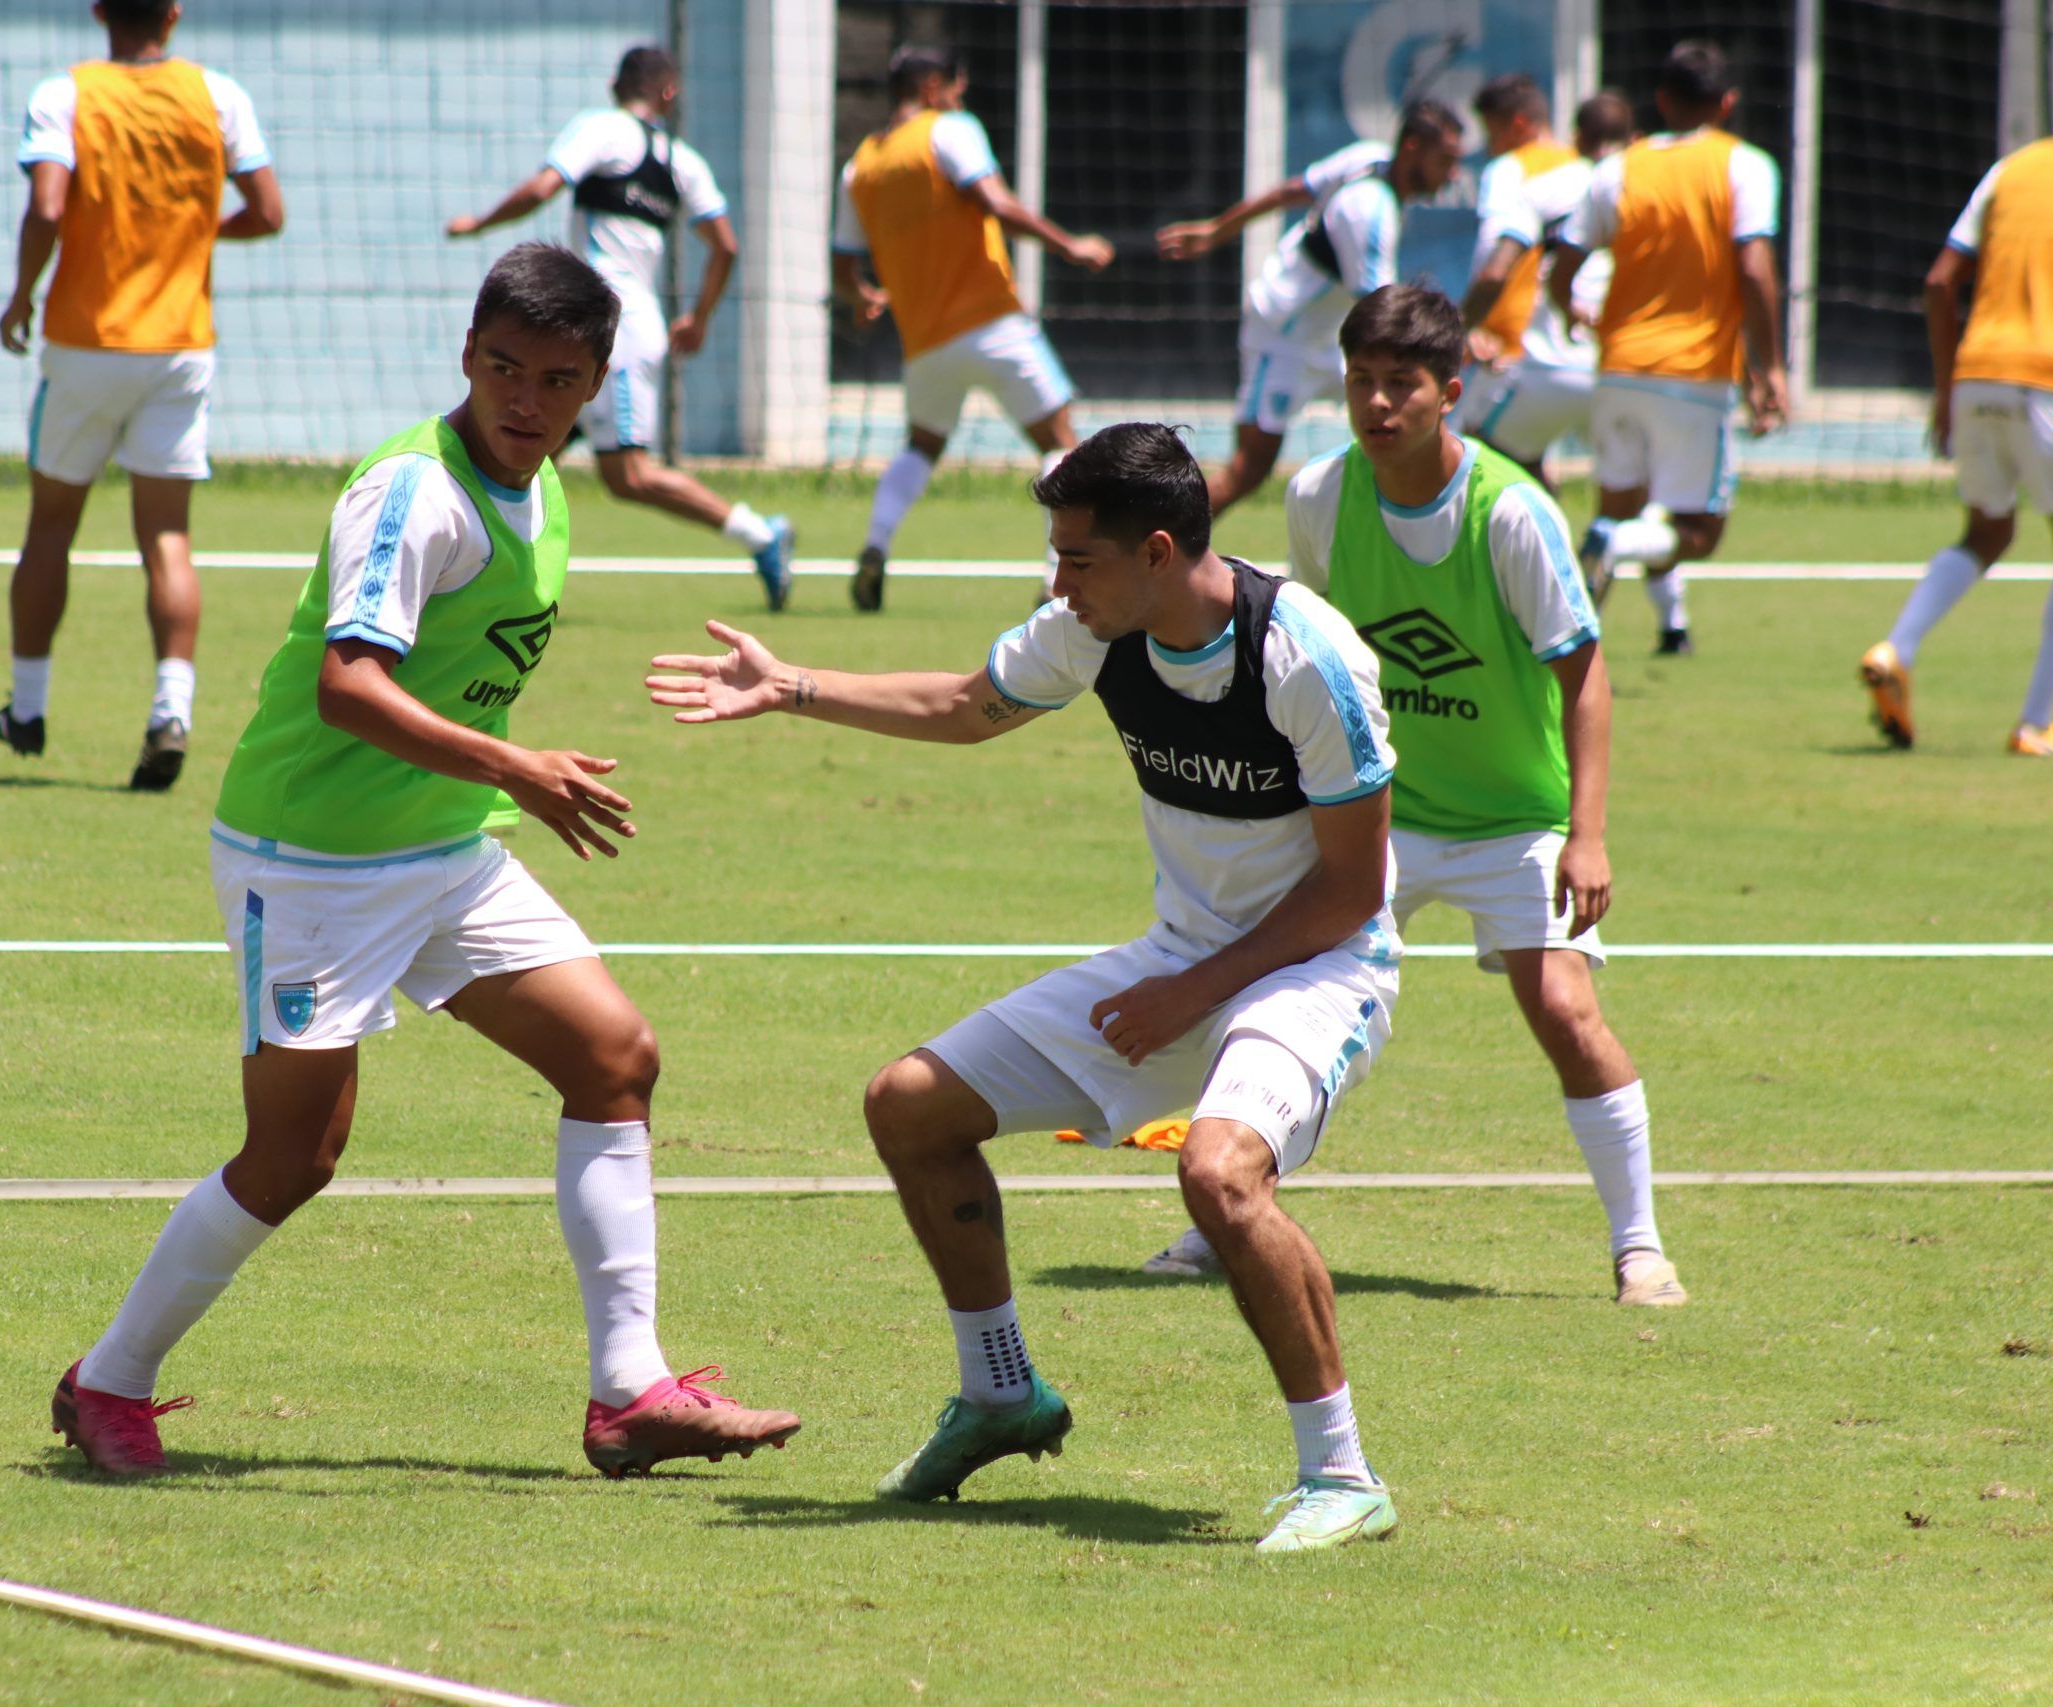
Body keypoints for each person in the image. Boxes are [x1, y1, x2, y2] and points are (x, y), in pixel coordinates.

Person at [51, 245, 801, 1481]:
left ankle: (630, 1393)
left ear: (596, 385)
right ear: (466, 353)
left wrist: (490, 783)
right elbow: (350, 687)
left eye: (557, 379)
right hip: (311, 860)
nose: (524, 399)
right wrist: (513, 768)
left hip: (443, 844)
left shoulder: (544, 489)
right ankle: (106, 1383)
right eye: (502, 367)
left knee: (614, 1055)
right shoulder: (413, 495)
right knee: (296, 1158)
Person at [648, 422, 1405, 1552]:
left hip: (1316, 969)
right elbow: (962, 706)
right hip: (1183, 960)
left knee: (1219, 1175)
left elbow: (1349, 891)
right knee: (910, 1105)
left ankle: (1341, 1476)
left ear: (1156, 552)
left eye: (1075, 559)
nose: (1057, 583)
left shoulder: (1309, 658)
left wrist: (1190, 991)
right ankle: (1001, 1394)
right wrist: (793, 686)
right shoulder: (1095, 632)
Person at [1145, 286, 1686, 1308]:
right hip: (1379, 817)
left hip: (1517, 821)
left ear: (1452, 391)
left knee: (1565, 1009)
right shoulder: (1318, 498)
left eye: (1402, 384)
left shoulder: (1510, 512)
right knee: (1277, 994)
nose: (1378, 403)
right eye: (1360, 382)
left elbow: (1586, 676)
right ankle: (1216, 1215)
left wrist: (1587, 834)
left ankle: (1640, 1251)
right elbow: (1305, 656)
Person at [0, 0, 284, 791]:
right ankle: (170, 710)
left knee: (51, 524)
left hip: (87, 343)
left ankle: (27, 707)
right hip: (180, 347)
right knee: (168, 538)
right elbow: (270, 211)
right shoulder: (220, 96)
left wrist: (21, 295)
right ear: (175, 14)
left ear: (97, 11)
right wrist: (191, 232)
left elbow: (48, 205)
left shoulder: (66, 94)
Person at [447, 46, 795, 612]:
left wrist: (478, 223)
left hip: (613, 333)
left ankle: (762, 534)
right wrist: (700, 318)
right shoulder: (684, 160)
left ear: (615, 85)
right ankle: (492, 579)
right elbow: (725, 245)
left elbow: (542, 188)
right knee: (524, 453)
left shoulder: (600, 128)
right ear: (669, 93)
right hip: (603, 329)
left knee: (628, 475)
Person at [831, 45, 1115, 612]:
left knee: (921, 446)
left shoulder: (859, 165)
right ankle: (1051, 578)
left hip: (924, 342)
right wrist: (1069, 245)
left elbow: (843, 262)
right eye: (956, 91)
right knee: (1061, 441)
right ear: (934, 88)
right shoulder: (950, 130)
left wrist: (862, 296)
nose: (959, 100)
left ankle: (874, 547)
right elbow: (996, 203)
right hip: (993, 321)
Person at [1549, 40, 1787, 653]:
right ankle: (1621, 547)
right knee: (1700, 529)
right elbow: (1756, 270)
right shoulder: (1745, 165)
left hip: (1620, 368)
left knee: (1620, 508)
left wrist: (1569, 309)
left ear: (1660, 100)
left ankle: (1565, 648)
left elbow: (1562, 265)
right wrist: (1773, 368)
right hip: (1695, 375)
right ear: (1727, 103)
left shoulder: (1618, 169)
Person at [1161, 102, 1465, 517]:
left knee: (1401, 426)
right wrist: (1451, 345)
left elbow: (1291, 190)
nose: (1452, 175)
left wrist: (1219, 230)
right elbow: (1384, 314)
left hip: (1328, 339)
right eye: (1445, 161)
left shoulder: (1368, 157)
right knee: (1249, 469)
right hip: (1284, 336)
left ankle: (1351, 546)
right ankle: (1152, 545)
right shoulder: (1370, 213)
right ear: (1413, 148)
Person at [1859, 138, 2053, 756]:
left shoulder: (2011, 169)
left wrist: (1945, 391)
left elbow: (1941, 283)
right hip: (2046, 382)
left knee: (1986, 532)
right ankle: (2037, 724)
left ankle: (1896, 649)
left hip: (1977, 375)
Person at [1457, 84, 1636, 494]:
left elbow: (1494, 264)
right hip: (1622, 363)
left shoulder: (1516, 171)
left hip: (1538, 355)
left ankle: (1532, 551)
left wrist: (1464, 329)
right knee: (1630, 491)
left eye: (1491, 132)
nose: (1489, 146)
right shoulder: (1636, 182)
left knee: (1479, 459)